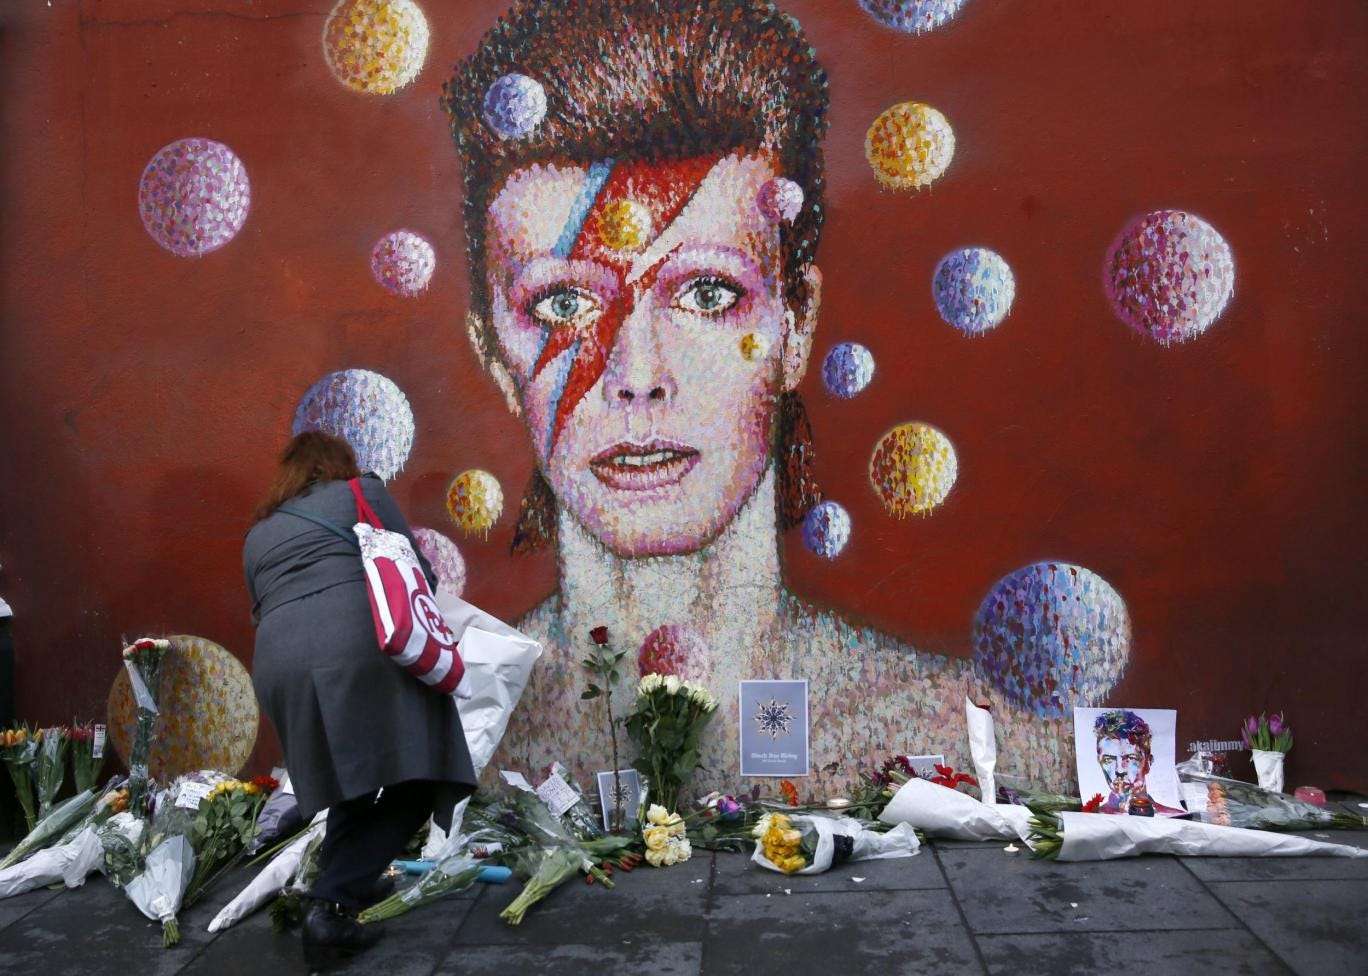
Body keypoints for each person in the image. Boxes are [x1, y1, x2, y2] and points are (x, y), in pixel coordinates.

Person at [440, 0, 1125, 797]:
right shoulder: (456, 750)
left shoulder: (971, 743)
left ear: (795, 325)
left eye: (705, 292)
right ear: (494, 352)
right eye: (564, 306)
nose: (636, 372)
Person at [244, 431, 476, 966]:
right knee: (422, 772)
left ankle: (346, 883)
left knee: (349, 778)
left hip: (279, 667)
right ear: (339, 464)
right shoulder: (362, 492)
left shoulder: (258, 533)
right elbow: (418, 571)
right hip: (360, 645)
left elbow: (264, 607)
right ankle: (330, 904)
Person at [1093, 709, 1184, 816]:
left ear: (1148, 763)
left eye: (1131, 758)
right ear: (1099, 762)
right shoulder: (1093, 818)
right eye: (1109, 760)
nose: (1120, 770)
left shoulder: (1172, 817)